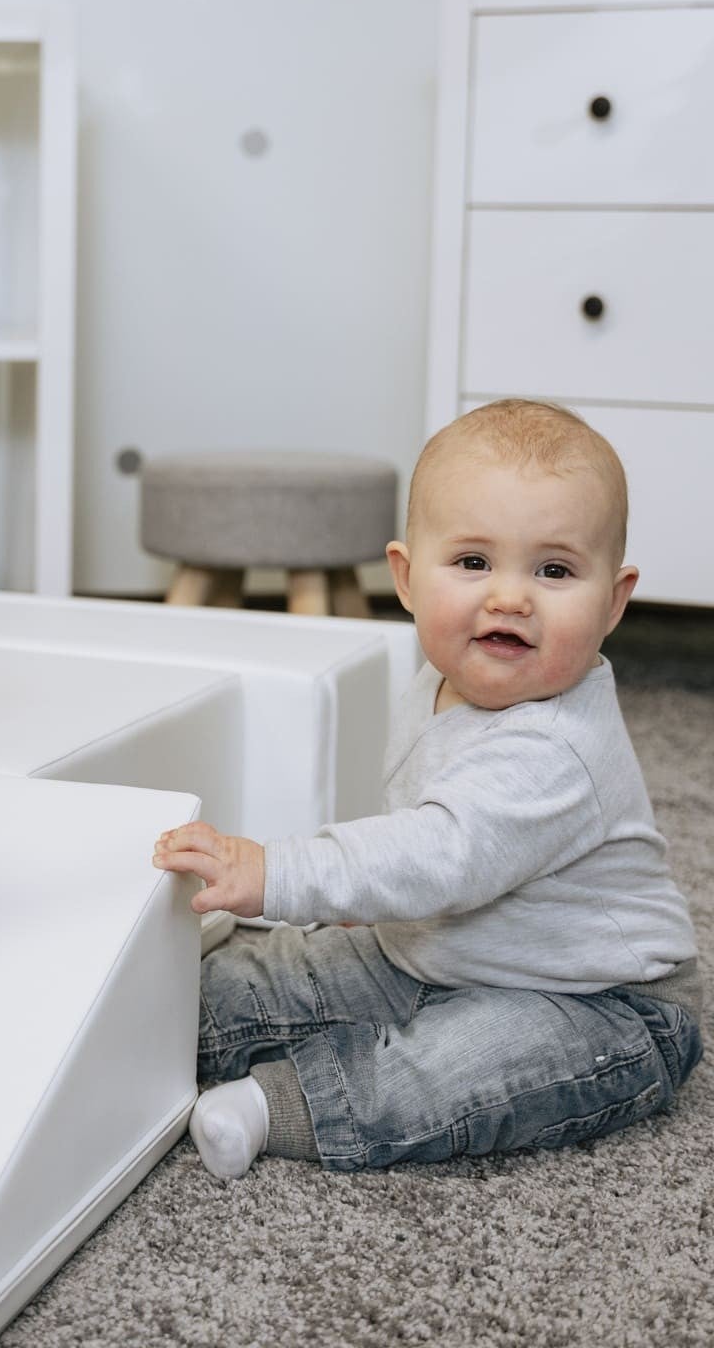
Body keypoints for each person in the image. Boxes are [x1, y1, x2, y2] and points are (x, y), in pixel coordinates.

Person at [153, 398, 702, 1177]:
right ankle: (155, 1021)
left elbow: (438, 852)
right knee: (274, 975)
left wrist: (276, 871)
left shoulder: (556, 747)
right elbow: (412, 827)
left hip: (598, 1006)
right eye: (474, 563)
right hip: (433, 950)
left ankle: (279, 1104)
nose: (509, 597)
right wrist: (360, 908)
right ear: (407, 579)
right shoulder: (441, 679)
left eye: (554, 570)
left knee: (453, 1069)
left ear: (614, 601)